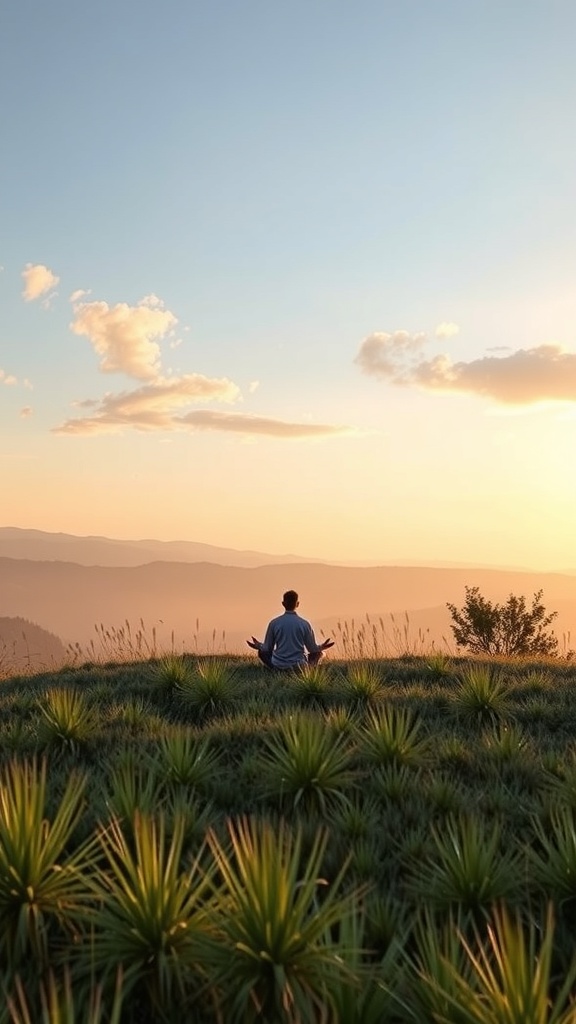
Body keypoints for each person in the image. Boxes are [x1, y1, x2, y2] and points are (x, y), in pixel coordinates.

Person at [246, 590, 334, 670]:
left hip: (278, 664)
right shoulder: (304, 624)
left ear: (283, 604)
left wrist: (259, 646)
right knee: (319, 654)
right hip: (299, 666)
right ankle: (309, 669)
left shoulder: (274, 623)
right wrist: (322, 647)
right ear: (297, 604)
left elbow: (267, 648)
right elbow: (312, 649)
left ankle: (275, 669)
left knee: (262, 653)